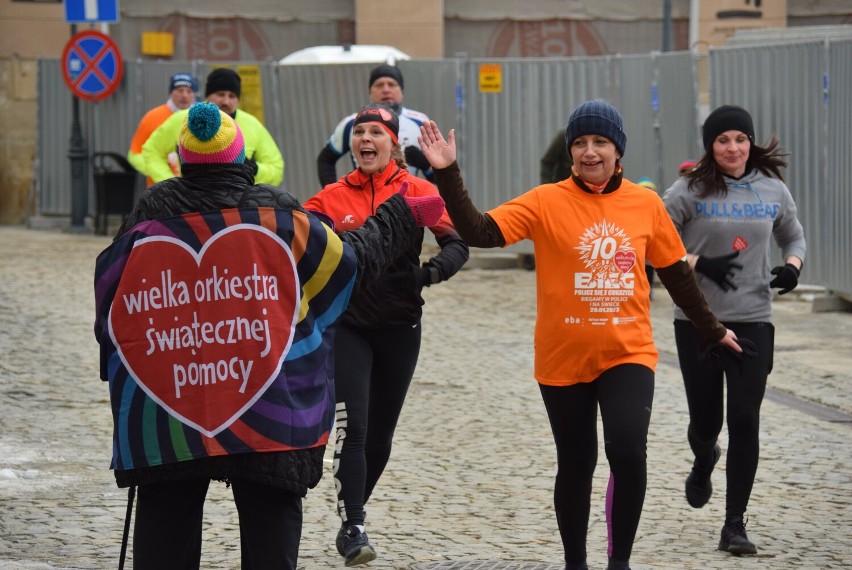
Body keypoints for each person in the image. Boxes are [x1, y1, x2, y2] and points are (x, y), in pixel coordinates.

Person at [94, 102, 445, 569]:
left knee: (166, 525)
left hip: (170, 410)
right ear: (242, 159)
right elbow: (347, 262)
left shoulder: (148, 215)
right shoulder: (275, 214)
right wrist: (401, 216)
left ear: (181, 159)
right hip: (269, 406)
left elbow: (111, 304)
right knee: (270, 531)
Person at [418, 99, 742, 570]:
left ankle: (620, 562)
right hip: (562, 357)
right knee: (576, 463)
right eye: (580, 143)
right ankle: (576, 563)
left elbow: (676, 275)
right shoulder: (545, 200)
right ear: (570, 151)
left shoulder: (645, 203)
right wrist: (448, 173)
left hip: (627, 352)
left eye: (600, 142)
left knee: (627, 450)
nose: (590, 152)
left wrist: (712, 331)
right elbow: (480, 232)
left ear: (618, 150)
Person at [304, 104, 469, 566]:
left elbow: (458, 244)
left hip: (400, 328)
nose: (366, 139)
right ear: (352, 144)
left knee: (379, 438)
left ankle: (349, 509)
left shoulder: (417, 191)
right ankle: (354, 525)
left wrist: (427, 275)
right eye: (359, 132)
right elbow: (300, 248)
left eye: (376, 132)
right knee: (353, 428)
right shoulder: (329, 198)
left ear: (393, 142)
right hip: (349, 327)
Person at [662, 104, 806, 556]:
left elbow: (794, 236)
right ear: (711, 145)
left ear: (751, 143)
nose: (732, 147)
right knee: (706, 422)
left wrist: (794, 267)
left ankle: (734, 524)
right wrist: (699, 262)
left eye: (739, 139)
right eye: (723, 140)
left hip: (754, 318)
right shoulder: (688, 189)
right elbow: (654, 243)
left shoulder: (772, 189)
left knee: (744, 419)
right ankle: (704, 457)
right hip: (699, 322)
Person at [142, 68, 284, 186]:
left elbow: (276, 168)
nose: (226, 101)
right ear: (208, 96)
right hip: (190, 202)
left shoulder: (252, 124)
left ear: (238, 100)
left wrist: (255, 170)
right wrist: (171, 182)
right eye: (220, 94)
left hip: (235, 206)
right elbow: (151, 151)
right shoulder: (184, 118)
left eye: (232, 96)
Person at [316, 64, 432, 187]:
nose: (386, 89)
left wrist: (425, 164)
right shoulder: (352, 123)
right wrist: (333, 195)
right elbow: (325, 160)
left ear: (402, 92)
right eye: (379, 85)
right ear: (370, 93)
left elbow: (438, 177)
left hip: (406, 199)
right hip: (364, 200)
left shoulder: (420, 122)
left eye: (391, 84)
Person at [127, 72, 198, 186]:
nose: (184, 95)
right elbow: (134, 154)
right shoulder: (152, 117)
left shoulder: (201, 119)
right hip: (158, 190)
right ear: (170, 93)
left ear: (194, 95)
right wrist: (157, 169)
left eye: (189, 91)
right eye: (180, 90)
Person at [636, 177, 659, 298]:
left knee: (649, 271)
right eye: (643, 190)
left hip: (650, 248)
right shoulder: (631, 208)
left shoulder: (657, 208)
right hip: (636, 250)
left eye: (649, 190)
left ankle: (648, 290)